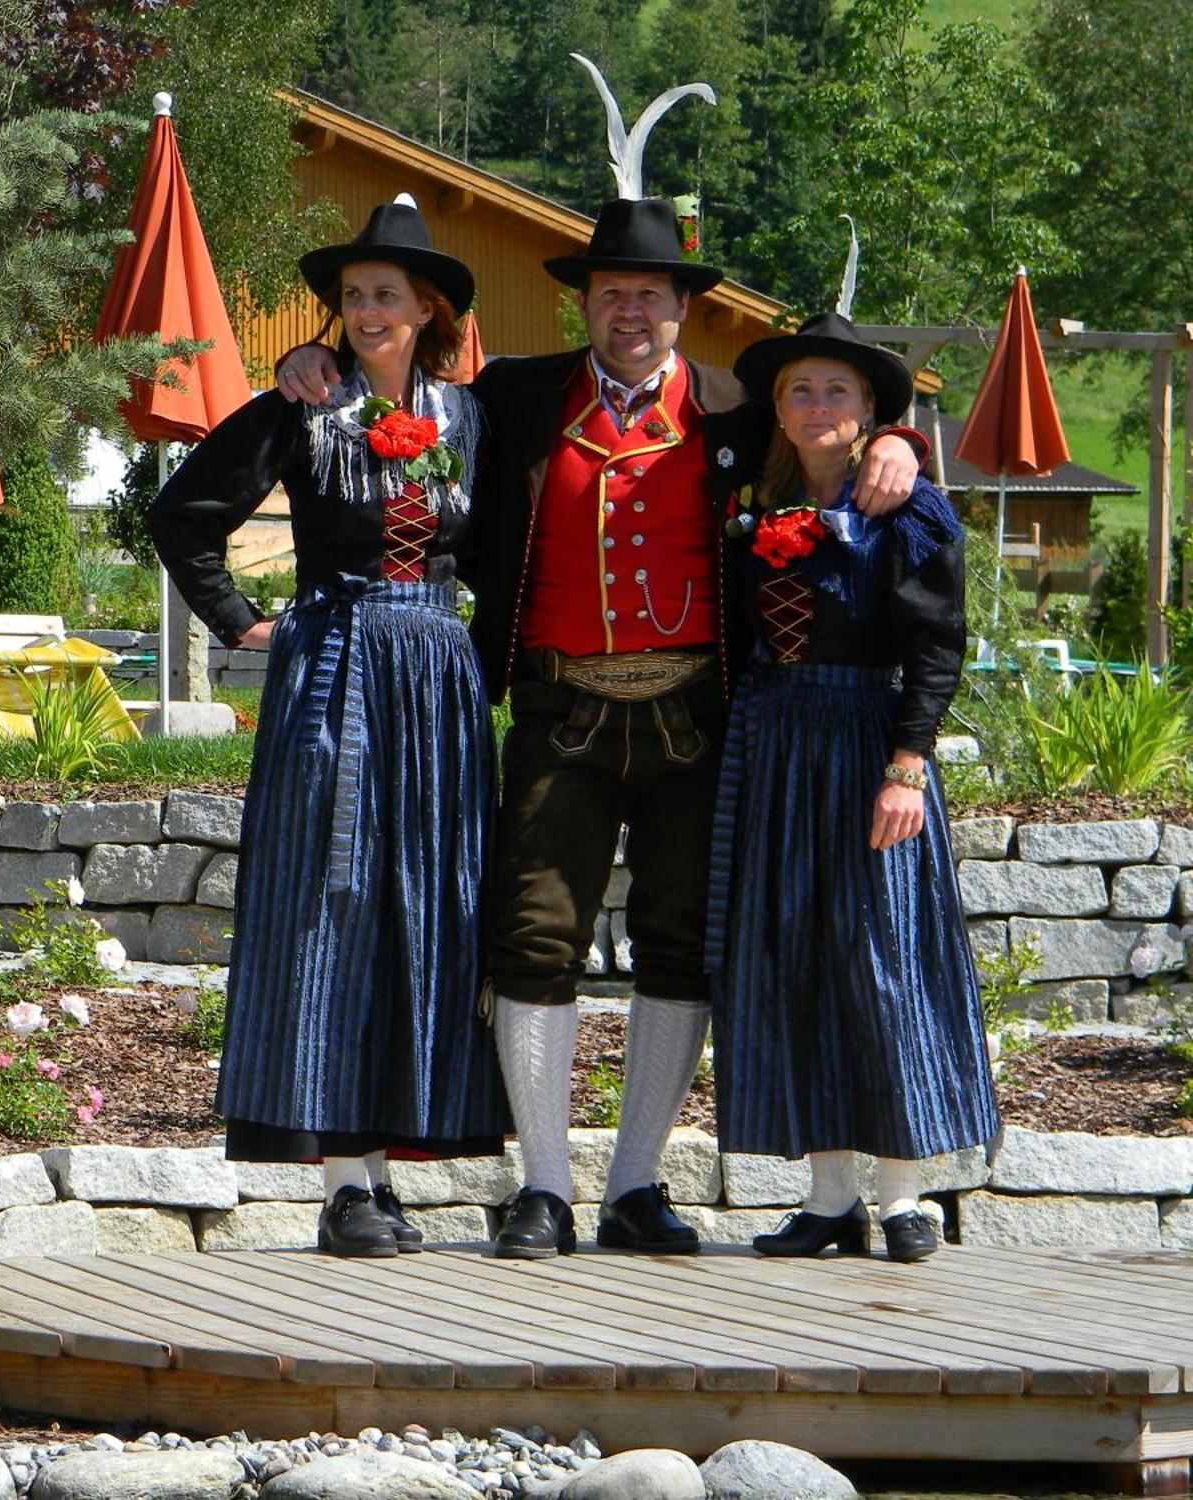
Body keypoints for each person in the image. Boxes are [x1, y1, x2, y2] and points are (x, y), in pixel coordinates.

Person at [273, 65, 929, 1260]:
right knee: (532, 936)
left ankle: (633, 1185)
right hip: (557, 708)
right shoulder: (513, 401)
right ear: (585, 303)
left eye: (653, 298)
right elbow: (392, 382)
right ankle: (540, 1187)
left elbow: (827, 417)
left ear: (682, 311)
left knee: (680, 944)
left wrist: (894, 440)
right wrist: (307, 367)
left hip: (696, 716)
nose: (632, 314)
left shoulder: (736, 414)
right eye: (613, 295)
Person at [148, 197, 510, 1257]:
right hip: (337, 665)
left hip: (437, 675)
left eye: (383, 295)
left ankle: (401, 1163)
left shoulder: (472, 417)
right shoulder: (300, 408)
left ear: (428, 306)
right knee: (334, 900)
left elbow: (493, 553)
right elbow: (183, 514)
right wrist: (241, 623)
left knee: (428, 905)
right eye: (349, 297)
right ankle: (347, 1182)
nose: (363, 310)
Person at [707, 311, 1000, 1264]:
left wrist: (907, 765)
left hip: (871, 743)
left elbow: (938, 645)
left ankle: (905, 1194)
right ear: (780, 412)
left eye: (838, 389)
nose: (818, 405)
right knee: (796, 959)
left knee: (883, 962)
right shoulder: (753, 497)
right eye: (801, 390)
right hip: (778, 744)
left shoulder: (907, 510)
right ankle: (830, 1197)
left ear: (868, 408)